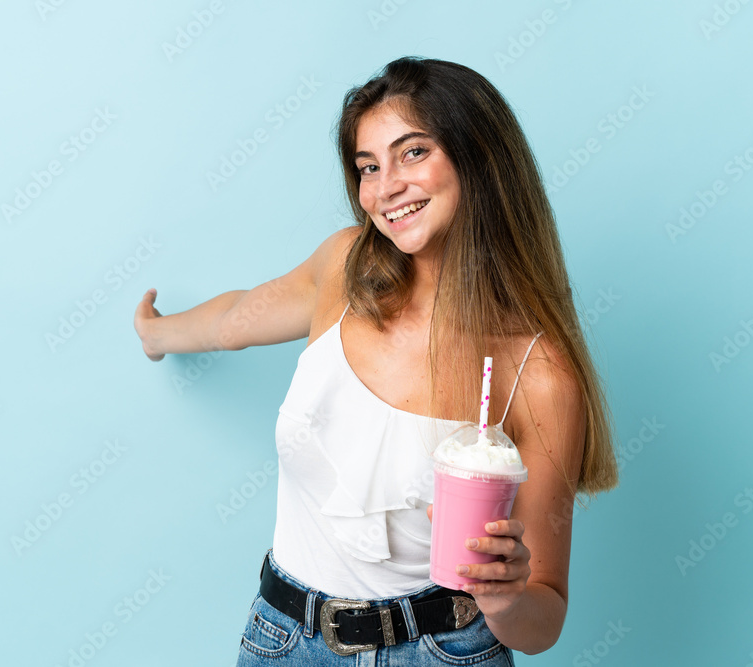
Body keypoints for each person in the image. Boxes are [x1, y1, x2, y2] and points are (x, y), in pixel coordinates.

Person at [134, 56, 618, 665]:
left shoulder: (538, 374)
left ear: (479, 157)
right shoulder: (345, 269)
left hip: (443, 649)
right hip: (283, 639)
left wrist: (507, 596)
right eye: (368, 166)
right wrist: (157, 334)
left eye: (413, 152)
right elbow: (236, 323)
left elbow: (542, 620)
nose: (385, 187)